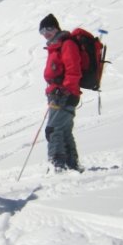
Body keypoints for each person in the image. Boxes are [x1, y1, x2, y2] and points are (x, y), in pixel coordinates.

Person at [39, 13, 84, 172]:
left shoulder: (66, 44)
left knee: (53, 130)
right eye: (42, 31)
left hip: (64, 95)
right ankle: (72, 164)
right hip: (60, 95)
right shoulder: (55, 46)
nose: (45, 33)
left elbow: (73, 70)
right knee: (64, 130)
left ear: (56, 28)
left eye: (48, 29)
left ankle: (57, 165)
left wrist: (64, 90)